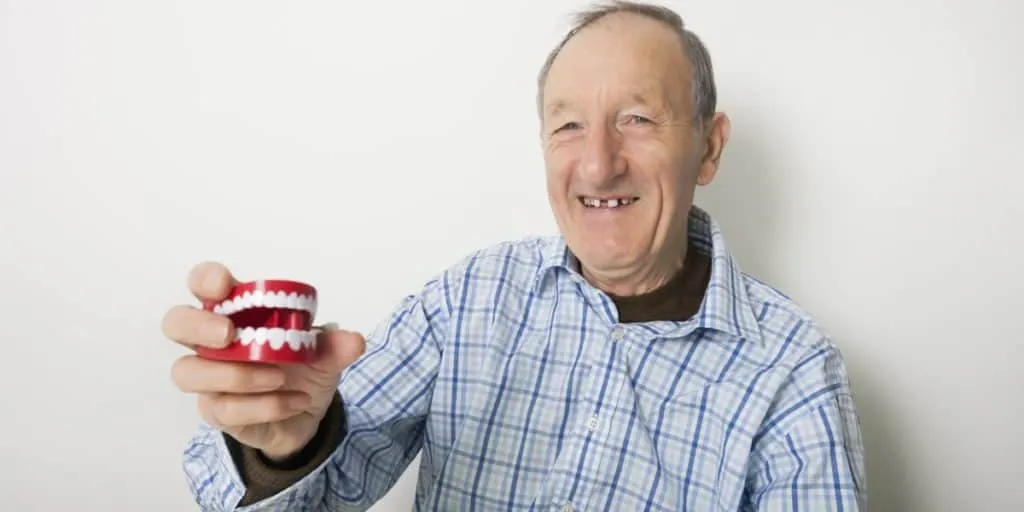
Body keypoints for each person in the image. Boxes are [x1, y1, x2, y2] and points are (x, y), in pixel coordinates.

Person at [162, 1, 867, 510]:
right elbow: (309, 497)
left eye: (637, 119)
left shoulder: (795, 371)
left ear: (709, 148)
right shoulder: (469, 298)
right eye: (567, 126)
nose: (597, 165)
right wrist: (285, 443)